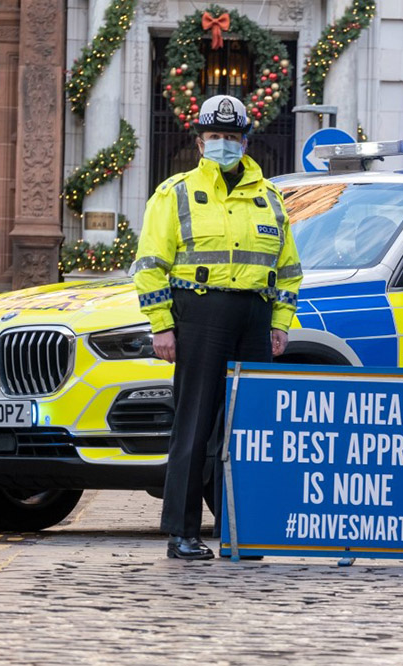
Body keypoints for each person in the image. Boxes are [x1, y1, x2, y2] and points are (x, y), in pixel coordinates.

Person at [132, 94, 302, 560]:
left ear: (245, 142)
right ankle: (182, 531)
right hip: (199, 314)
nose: (222, 145)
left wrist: (281, 324)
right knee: (194, 425)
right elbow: (149, 266)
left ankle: (244, 531)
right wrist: (162, 326)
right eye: (214, 137)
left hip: (255, 318)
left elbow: (288, 271)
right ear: (199, 141)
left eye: (231, 137)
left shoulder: (270, 198)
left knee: (250, 430)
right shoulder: (176, 192)